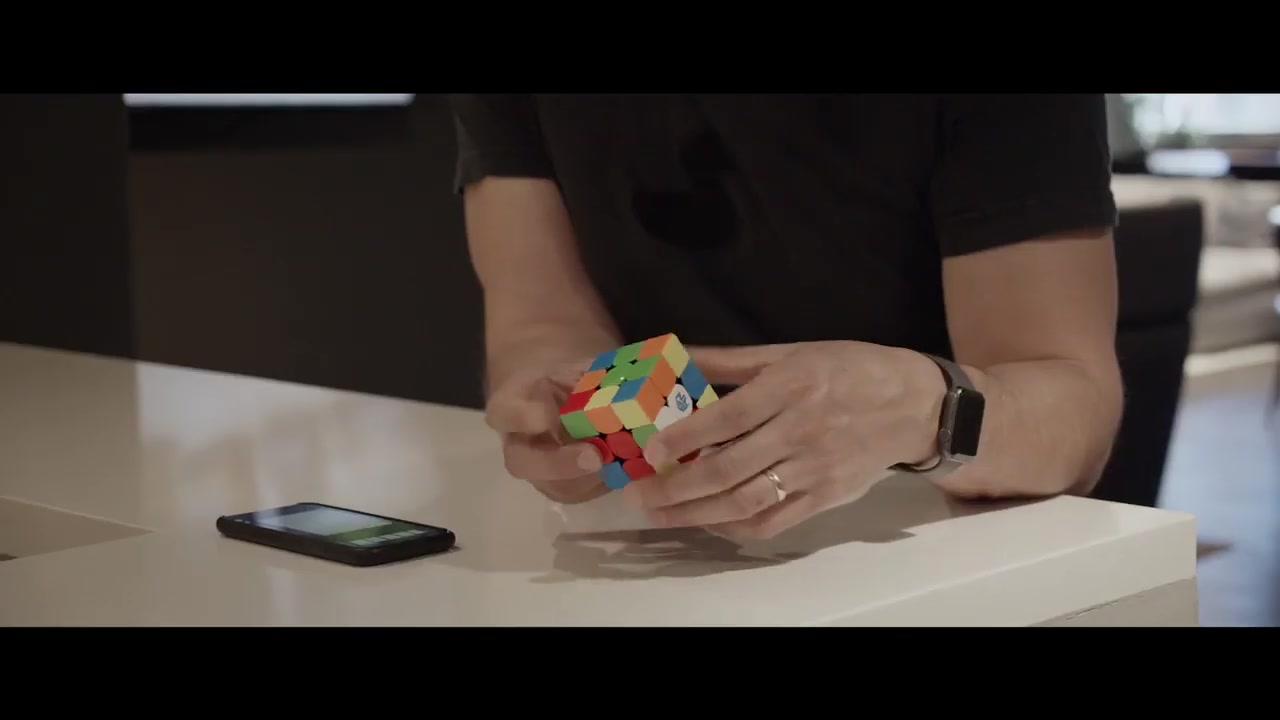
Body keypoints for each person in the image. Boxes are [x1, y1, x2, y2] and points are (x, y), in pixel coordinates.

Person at [450, 94, 1123, 541]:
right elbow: (542, 325)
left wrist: (923, 409)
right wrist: (561, 414)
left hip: (943, 554)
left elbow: (1075, 414)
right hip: (658, 555)